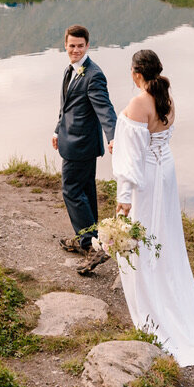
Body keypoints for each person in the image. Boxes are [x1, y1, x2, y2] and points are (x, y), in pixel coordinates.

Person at [112, 48, 194, 365]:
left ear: (137, 72)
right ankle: (169, 295)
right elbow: (151, 138)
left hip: (148, 179)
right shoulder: (167, 97)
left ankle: (154, 308)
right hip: (165, 171)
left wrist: (124, 201)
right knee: (164, 235)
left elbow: (132, 157)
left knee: (142, 235)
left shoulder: (140, 101)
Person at [52, 24, 117, 274]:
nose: (75, 50)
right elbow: (66, 106)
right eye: (71, 46)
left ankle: (91, 246)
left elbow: (105, 110)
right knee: (86, 192)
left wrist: (113, 137)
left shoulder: (93, 75)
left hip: (81, 146)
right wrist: (58, 130)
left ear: (88, 46)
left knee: (71, 190)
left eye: (80, 46)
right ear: (65, 45)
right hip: (73, 141)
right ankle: (88, 239)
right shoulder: (71, 70)